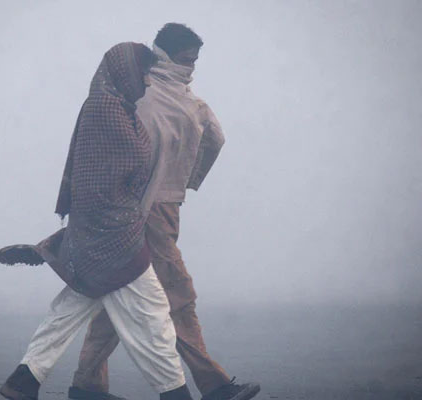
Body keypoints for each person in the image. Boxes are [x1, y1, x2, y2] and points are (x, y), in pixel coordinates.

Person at [0, 42, 195, 400]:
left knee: (71, 307)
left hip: (95, 234)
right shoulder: (107, 112)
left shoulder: (115, 107)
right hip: (114, 237)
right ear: (124, 72)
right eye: (142, 73)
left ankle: (23, 381)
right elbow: (114, 174)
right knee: (153, 315)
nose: (147, 82)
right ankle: (176, 394)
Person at [66, 24, 261, 400]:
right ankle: (214, 385)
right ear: (169, 56)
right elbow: (214, 140)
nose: (191, 68)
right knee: (177, 293)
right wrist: (183, 178)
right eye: (187, 60)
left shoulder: (142, 93)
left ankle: (86, 386)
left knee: (120, 291)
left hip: (138, 208)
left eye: (195, 61)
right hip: (154, 211)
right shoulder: (181, 102)